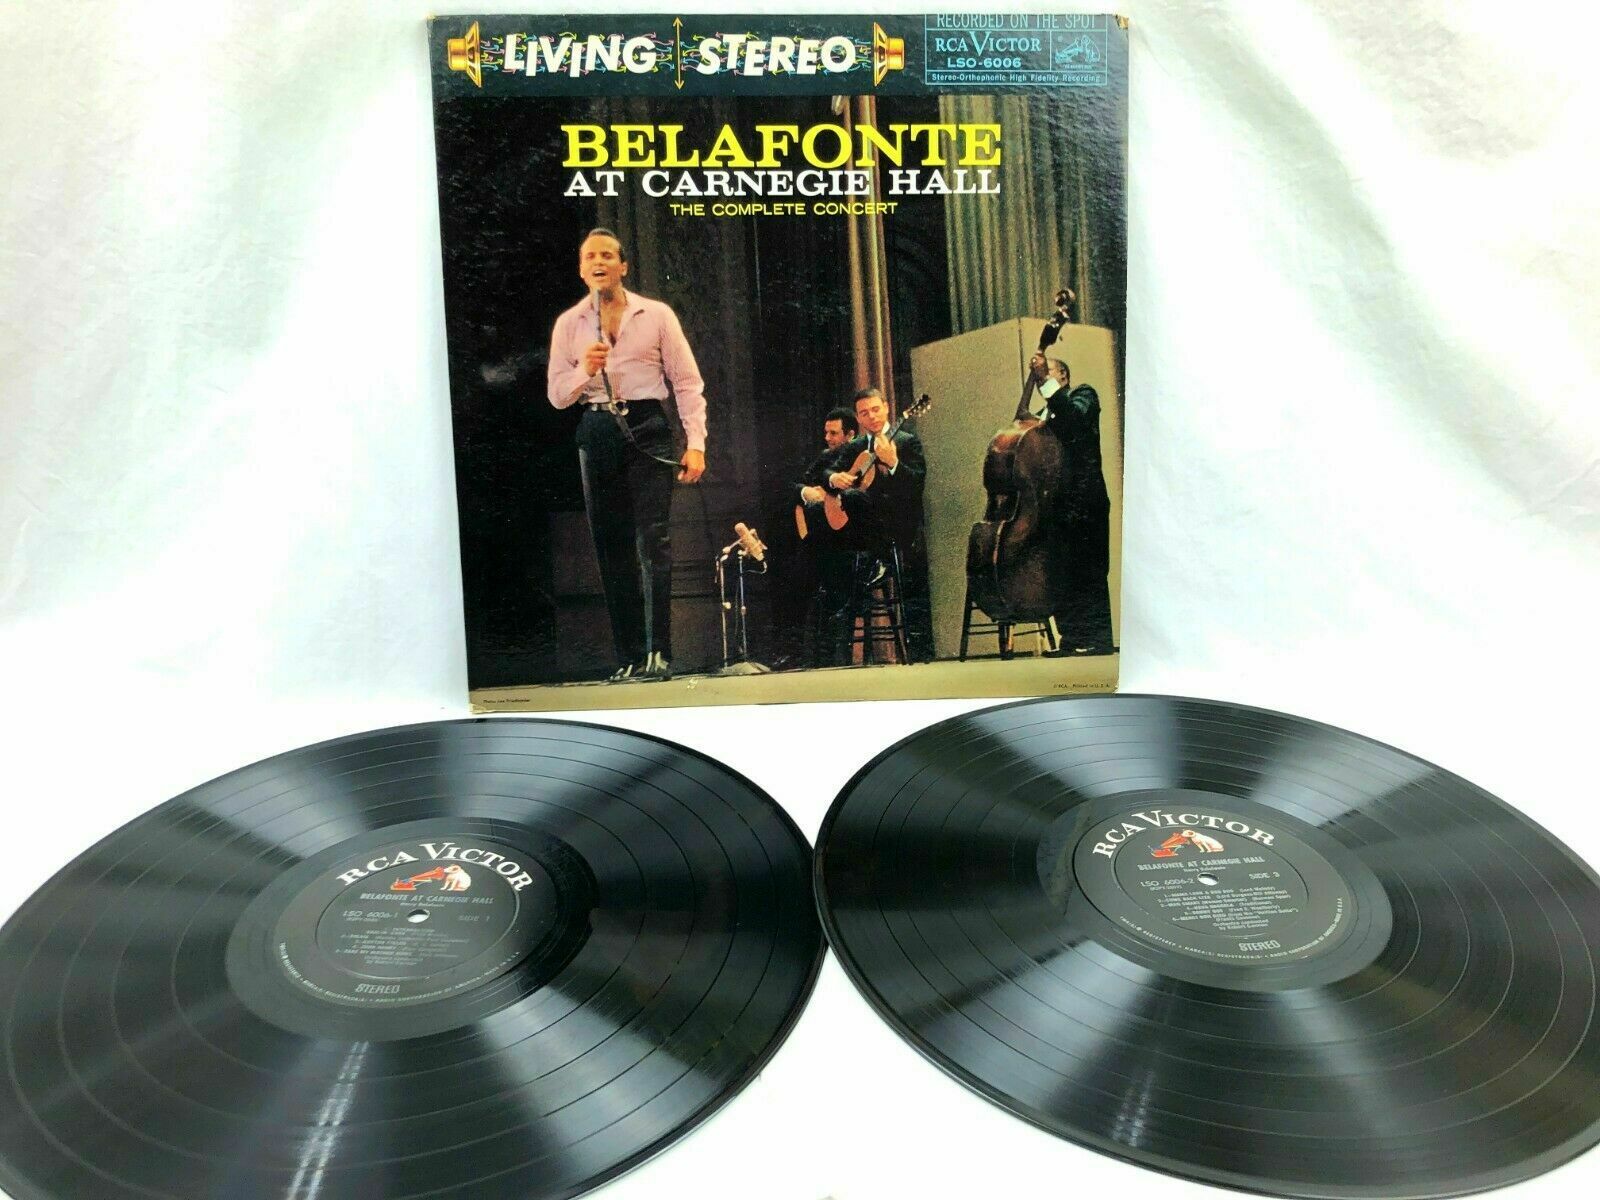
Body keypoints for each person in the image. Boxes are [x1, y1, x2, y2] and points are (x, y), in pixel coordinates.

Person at [546, 228, 706, 681]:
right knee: (610, 544)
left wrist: (696, 443)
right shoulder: (569, 324)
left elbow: (687, 382)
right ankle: (630, 656)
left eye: (606, 256)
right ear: (582, 269)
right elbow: (557, 396)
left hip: (647, 426)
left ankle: (659, 652)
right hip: (597, 428)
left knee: (654, 539)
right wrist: (585, 370)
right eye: (589, 257)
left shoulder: (655, 315)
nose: (598, 262)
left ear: (623, 266)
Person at [807, 386, 934, 663]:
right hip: (861, 534)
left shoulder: (907, 441)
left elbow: (916, 486)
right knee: (822, 509)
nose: (872, 416)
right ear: (858, 418)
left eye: (876, 409)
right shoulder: (855, 447)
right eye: (864, 413)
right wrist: (834, 478)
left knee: (854, 499)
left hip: (896, 527)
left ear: (887, 408)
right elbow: (823, 471)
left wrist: (894, 463)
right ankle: (844, 588)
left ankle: (870, 568)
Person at [1028, 353, 1114, 654]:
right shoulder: (1042, 414)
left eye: (1048, 372)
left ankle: (1098, 640)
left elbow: (1073, 421)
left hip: (1085, 501)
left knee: (1090, 571)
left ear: (1063, 376)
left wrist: (1044, 383)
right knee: (1062, 572)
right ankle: (1072, 638)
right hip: (1057, 504)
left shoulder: (1084, 395)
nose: (1042, 379)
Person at [766, 407, 859, 669]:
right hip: (820, 539)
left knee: (827, 585)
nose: (827, 438)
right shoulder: (824, 458)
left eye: (834, 433)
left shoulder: (859, 458)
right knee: (795, 581)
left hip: (848, 541)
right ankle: (795, 654)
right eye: (826, 433)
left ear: (850, 435)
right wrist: (806, 492)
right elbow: (794, 486)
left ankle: (830, 657)